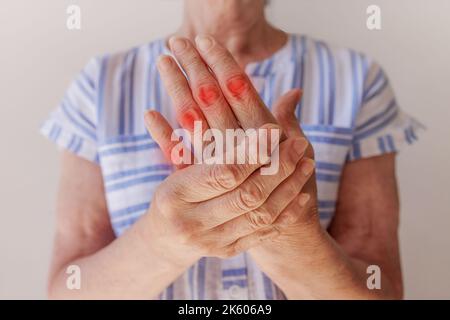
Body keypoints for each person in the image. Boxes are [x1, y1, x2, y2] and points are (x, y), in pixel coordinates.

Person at [41, 0, 421, 299]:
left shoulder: (357, 80)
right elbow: (67, 290)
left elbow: (380, 292)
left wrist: (289, 232)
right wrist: (163, 239)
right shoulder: (101, 86)